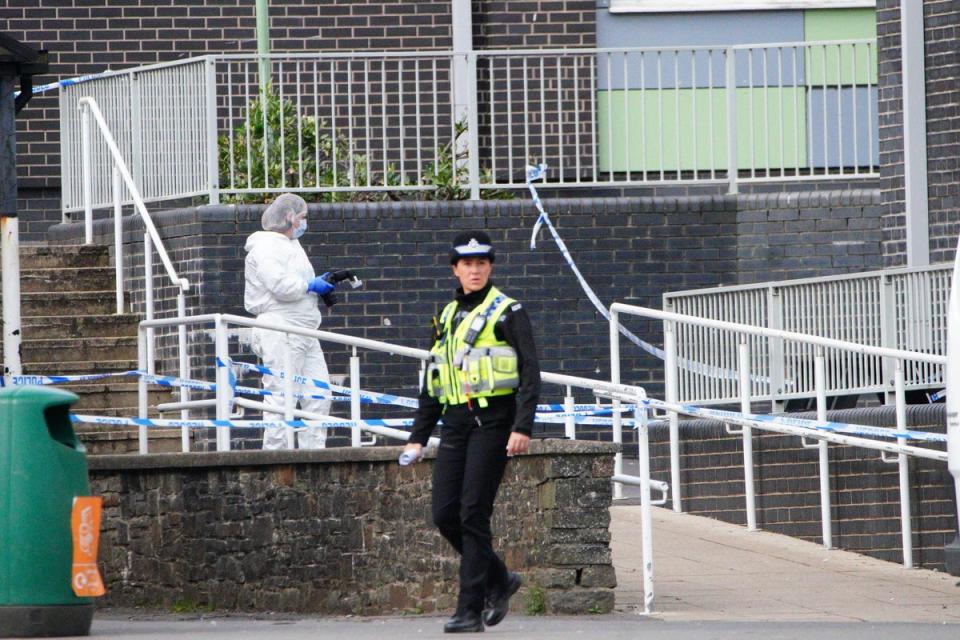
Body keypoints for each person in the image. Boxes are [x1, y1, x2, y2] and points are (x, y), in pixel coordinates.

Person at [403, 231, 541, 633]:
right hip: (455, 424)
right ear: (456, 269)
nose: (475, 270)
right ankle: (500, 579)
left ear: (490, 267)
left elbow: (530, 371)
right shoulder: (446, 316)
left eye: (482, 263)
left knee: (472, 513)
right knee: (445, 513)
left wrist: (523, 426)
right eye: (468, 264)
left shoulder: (508, 311)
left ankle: (469, 609)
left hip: (494, 422)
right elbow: (433, 382)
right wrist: (417, 436)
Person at [244, 193, 337, 450]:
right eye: (302, 217)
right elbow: (280, 285)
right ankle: (276, 457)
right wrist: (309, 285)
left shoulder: (291, 246)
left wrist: (316, 284)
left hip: (304, 329)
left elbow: (296, 282)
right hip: (281, 328)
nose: (304, 223)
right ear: (289, 217)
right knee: (282, 395)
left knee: (318, 395)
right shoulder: (266, 247)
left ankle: (313, 455)